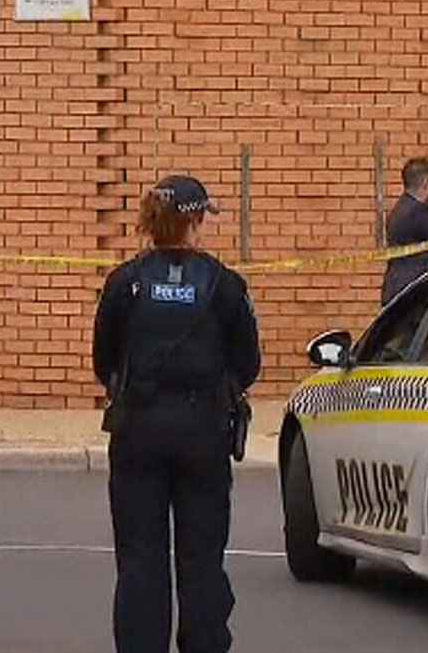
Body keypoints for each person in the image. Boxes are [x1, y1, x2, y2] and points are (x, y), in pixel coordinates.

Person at [92, 175, 262, 653]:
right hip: (202, 431)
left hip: (138, 429)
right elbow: (248, 363)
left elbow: (104, 360)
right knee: (202, 559)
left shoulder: (125, 283)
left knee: (140, 559)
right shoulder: (224, 285)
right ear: (195, 219)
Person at [381, 157, 428, 306]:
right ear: (425, 183)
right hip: (415, 296)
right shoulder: (419, 213)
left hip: (401, 292)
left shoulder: (401, 208)